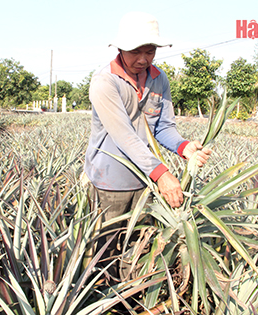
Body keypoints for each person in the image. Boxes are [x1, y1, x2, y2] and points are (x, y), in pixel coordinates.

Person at [84, 11, 212, 281]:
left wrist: (184, 147)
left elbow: (162, 127)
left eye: (150, 51)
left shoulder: (159, 79)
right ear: (120, 48)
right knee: (103, 249)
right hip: (111, 183)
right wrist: (163, 174)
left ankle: (130, 299)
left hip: (146, 181)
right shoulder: (104, 82)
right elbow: (125, 136)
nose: (143, 59)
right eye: (135, 51)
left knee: (138, 247)